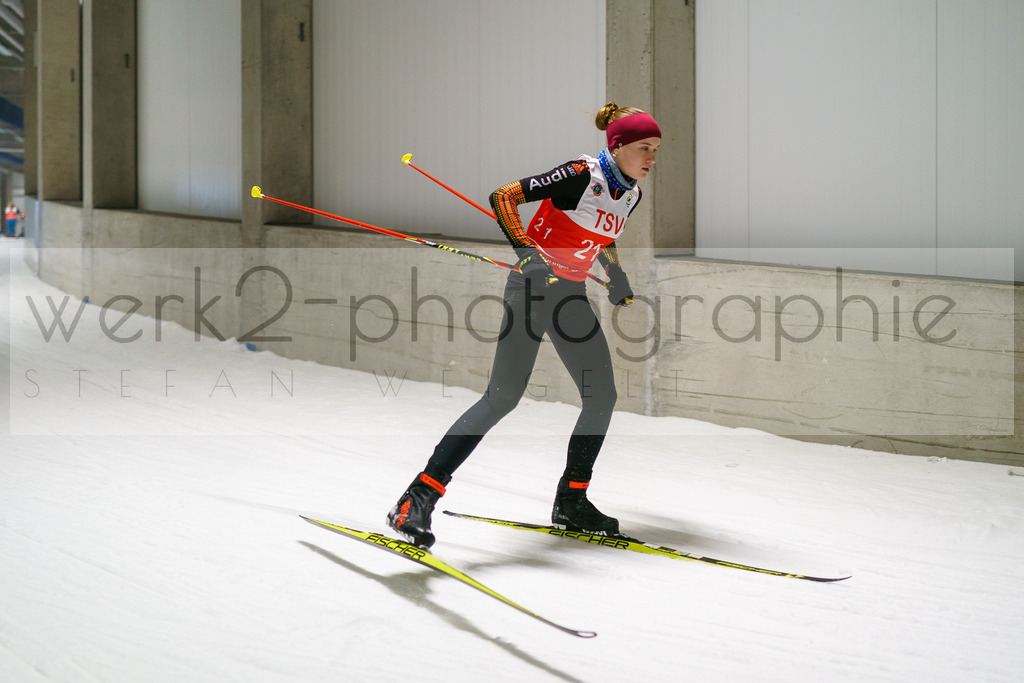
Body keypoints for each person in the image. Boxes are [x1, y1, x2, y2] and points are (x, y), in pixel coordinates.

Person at [388, 103, 661, 548]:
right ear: (618, 146)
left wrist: (614, 274)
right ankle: (416, 499)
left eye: (655, 150)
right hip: (532, 290)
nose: (651, 158)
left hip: (569, 295)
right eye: (644, 148)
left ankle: (571, 502)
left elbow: (602, 238)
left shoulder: (630, 192)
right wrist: (528, 254)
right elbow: (504, 197)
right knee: (502, 399)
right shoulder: (580, 173)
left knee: (602, 396)